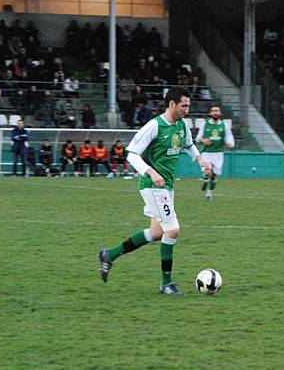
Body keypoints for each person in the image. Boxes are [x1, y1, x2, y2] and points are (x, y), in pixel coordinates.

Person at [98, 87, 211, 295]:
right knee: (173, 230)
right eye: (184, 105)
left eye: (188, 105)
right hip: (153, 186)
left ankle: (109, 255)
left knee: (157, 232)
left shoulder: (182, 126)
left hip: (166, 186)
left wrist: (201, 160)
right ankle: (165, 283)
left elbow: (189, 145)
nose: (187, 109)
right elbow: (131, 154)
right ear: (171, 104)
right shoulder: (154, 126)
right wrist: (151, 172)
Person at [195, 105, 235, 200]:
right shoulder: (205, 124)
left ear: (220, 113)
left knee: (214, 175)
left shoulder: (224, 125)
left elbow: (229, 137)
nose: (215, 112)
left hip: (218, 153)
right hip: (206, 152)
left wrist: (230, 143)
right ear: (210, 113)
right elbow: (198, 138)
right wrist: (203, 141)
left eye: (217, 111)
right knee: (207, 170)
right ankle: (205, 179)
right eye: (213, 111)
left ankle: (209, 193)